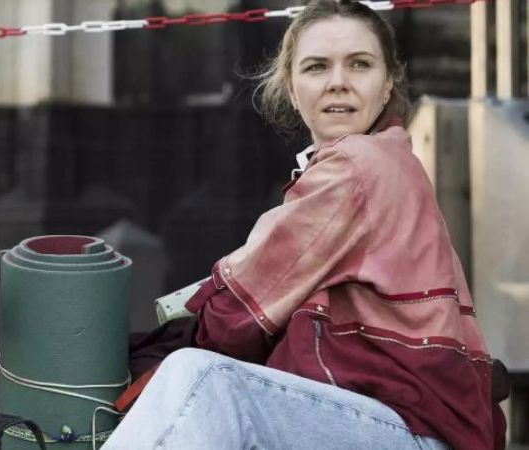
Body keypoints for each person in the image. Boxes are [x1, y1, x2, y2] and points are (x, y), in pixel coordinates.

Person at [102, 1, 505, 449]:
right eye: (317, 67)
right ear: (292, 89)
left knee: (202, 378)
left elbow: (235, 319)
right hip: (393, 425)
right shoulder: (374, 161)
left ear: (388, 81)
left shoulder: (361, 164)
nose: (338, 83)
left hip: (410, 432)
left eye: (359, 64)